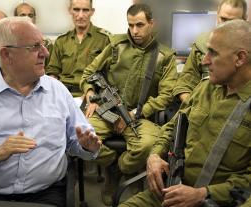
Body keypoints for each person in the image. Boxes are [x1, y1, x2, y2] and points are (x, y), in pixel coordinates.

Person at [0, 17, 101, 207]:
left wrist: (88, 147)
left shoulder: (58, 91)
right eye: (35, 47)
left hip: (43, 196)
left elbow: (79, 142)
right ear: (6, 54)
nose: (45, 52)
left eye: (43, 45)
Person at [119, 19, 251, 207]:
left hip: (214, 200)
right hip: (173, 188)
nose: (204, 60)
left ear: (240, 58)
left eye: (213, 53)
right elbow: (173, 126)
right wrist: (155, 155)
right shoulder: (205, 87)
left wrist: (202, 194)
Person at [80, 3, 177, 205]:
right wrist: (90, 95)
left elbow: (167, 95)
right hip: (107, 112)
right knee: (78, 135)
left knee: (149, 145)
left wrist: (136, 114)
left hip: (139, 117)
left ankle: (122, 169)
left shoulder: (164, 56)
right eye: (131, 25)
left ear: (152, 23)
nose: (134, 31)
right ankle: (111, 164)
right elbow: (89, 73)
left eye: (140, 25)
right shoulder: (116, 45)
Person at [173, 0, 247, 102]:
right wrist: (192, 105)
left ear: (244, 20)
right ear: (217, 15)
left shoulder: (247, 49)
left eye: (232, 22)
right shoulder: (202, 43)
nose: (226, 25)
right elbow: (184, 84)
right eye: (223, 19)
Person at [46, 0, 111, 98]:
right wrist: (54, 95)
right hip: (63, 94)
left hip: (92, 95)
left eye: (85, 10)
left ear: (92, 12)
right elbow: (53, 72)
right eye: (76, 10)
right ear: (69, 11)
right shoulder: (61, 41)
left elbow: (109, 75)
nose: (80, 15)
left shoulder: (104, 39)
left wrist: (94, 95)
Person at [13, 2, 53, 67]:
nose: (27, 18)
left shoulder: (46, 44)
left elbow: (50, 71)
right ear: (15, 19)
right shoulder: (10, 44)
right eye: (22, 15)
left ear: (35, 19)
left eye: (30, 15)